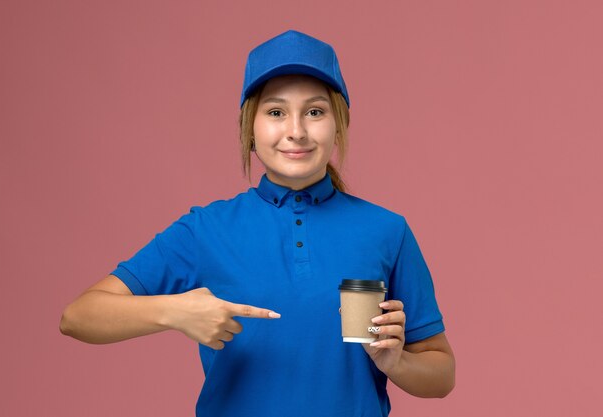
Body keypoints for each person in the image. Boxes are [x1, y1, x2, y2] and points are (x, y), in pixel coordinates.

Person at [60, 30, 455, 417]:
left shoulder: (386, 230)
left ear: (339, 125)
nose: (296, 131)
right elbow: (78, 317)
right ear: (250, 128)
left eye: (315, 112)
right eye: (276, 112)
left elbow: (441, 375)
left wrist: (395, 362)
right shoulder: (206, 229)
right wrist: (175, 312)